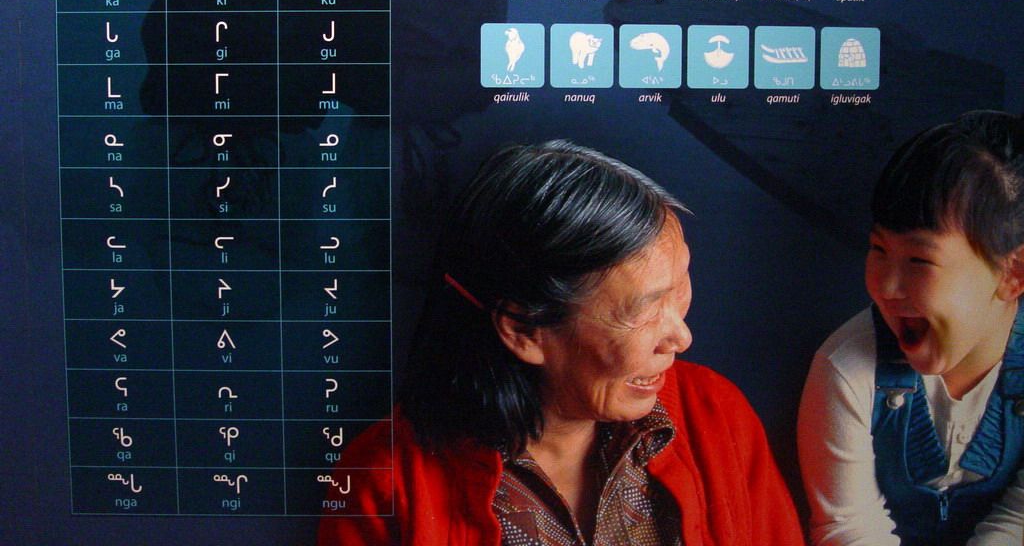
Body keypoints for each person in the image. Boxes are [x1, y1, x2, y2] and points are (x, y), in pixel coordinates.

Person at [318, 139, 803, 545]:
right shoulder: (384, 482)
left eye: (679, 290)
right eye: (645, 308)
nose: (681, 336)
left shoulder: (715, 414)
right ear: (525, 330)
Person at [798, 110, 1024, 545]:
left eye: (920, 260)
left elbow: (1018, 521)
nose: (886, 284)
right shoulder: (846, 368)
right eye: (878, 249)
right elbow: (850, 527)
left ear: (1012, 274)